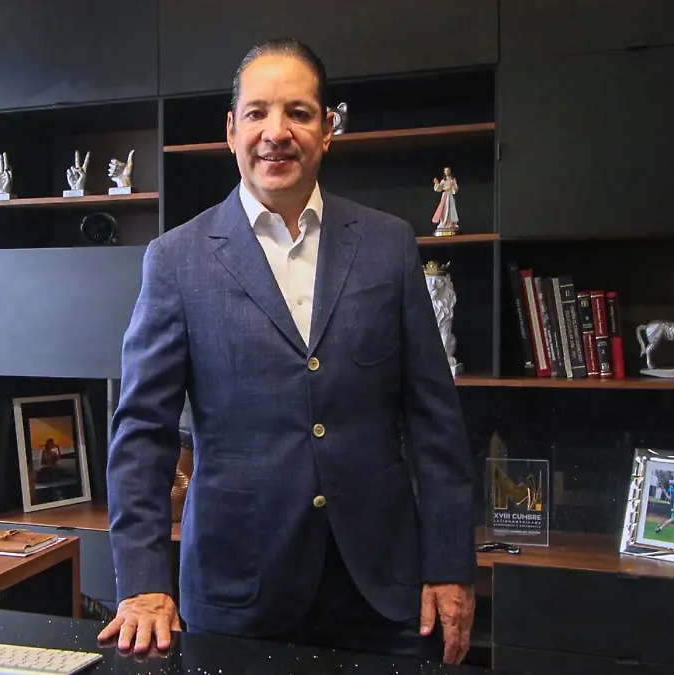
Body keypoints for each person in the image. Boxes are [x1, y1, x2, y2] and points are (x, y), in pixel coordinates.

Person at [100, 37, 477, 665]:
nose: (277, 133)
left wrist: (450, 565)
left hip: (383, 591)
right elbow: (142, 433)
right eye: (258, 113)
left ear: (327, 129)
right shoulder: (176, 260)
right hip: (237, 590)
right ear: (231, 130)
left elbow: (436, 422)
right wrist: (142, 582)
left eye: (299, 113)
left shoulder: (388, 245)